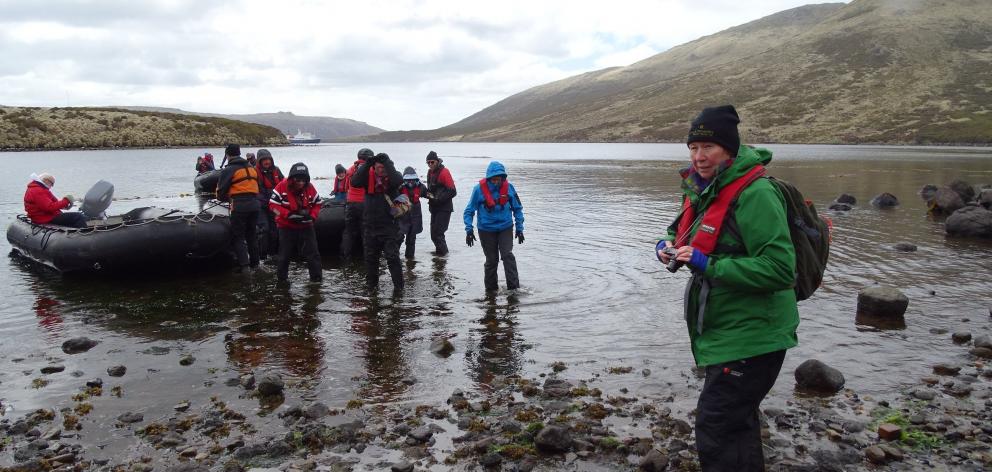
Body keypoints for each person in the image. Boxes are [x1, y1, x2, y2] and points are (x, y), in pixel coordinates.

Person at [656, 105, 798, 471]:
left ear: (729, 150)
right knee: (736, 421)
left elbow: (781, 269)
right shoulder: (703, 188)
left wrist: (709, 264)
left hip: (755, 334)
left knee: (717, 424)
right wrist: (667, 246)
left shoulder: (756, 194)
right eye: (693, 147)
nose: (699, 157)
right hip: (727, 329)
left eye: (708, 148)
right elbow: (681, 231)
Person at [463, 161, 524, 292]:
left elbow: (517, 209)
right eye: (493, 179)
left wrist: (520, 228)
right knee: (491, 260)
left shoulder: (509, 188)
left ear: (503, 177)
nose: (496, 181)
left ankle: (514, 290)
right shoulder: (478, 190)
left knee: (507, 255)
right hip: (486, 229)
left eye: (499, 178)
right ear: (489, 178)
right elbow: (469, 211)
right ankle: (491, 292)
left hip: (505, 227)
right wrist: (469, 229)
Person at [350, 152, 404, 291]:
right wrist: (368, 163)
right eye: (379, 167)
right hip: (370, 226)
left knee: (392, 258)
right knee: (370, 259)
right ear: (374, 167)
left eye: (384, 167)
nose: (382, 170)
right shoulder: (367, 177)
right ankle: (372, 289)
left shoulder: (392, 178)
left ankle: (399, 289)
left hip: (389, 226)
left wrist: (388, 162)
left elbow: (398, 180)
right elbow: (354, 182)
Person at [269, 162, 322, 282]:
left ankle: (317, 279)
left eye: (304, 180)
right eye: (298, 180)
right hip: (286, 226)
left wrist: (312, 216)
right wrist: (288, 215)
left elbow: (318, 204)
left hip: (306, 225)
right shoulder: (281, 187)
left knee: (313, 253)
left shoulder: (310, 188)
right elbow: (273, 206)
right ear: (292, 179)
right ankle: (282, 280)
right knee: (284, 255)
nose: (301, 183)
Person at [216, 143, 261, 272]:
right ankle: (256, 264)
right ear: (239, 153)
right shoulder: (252, 168)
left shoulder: (229, 170)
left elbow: (220, 192)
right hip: (255, 205)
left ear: (228, 155)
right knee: (251, 235)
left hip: (240, 206)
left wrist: (226, 199)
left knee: (238, 236)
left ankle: (245, 267)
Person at [340, 148, 374, 259]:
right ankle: (367, 257)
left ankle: (345, 256)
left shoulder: (350, 169)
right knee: (366, 231)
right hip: (365, 203)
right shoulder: (371, 169)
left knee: (349, 231)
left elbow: (346, 187)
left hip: (351, 203)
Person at [425, 151, 457, 255]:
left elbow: (453, 191)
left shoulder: (444, 172)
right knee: (433, 234)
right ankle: (440, 256)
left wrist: (439, 199)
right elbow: (430, 189)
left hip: (444, 208)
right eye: (428, 163)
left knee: (438, 234)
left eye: (432, 162)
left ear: (437, 161)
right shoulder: (429, 173)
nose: (430, 164)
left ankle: (443, 256)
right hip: (434, 208)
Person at [255, 149, 284, 260]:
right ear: (260, 161)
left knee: (275, 228)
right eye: (264, 160)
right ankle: (262, 256)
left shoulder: (277, 171)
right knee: (264, 228)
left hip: (274, 206)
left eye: (268, 159)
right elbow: (255, 191)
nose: (267, 162)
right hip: (261, 206)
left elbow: (284, 185)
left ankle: (274, 253)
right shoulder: (254, 172)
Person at [398, 166, 429, 260]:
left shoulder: (421, 187)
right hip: (402, 213)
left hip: (415, 215)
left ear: (415, 179)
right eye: (408, 180)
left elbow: (428, 194)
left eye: (412, 179)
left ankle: (410, 259)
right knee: (398, 236)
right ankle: (394, 256)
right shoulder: (399, 187)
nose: (410, 182)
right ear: (404, 180)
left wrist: (437, 198)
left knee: (411, 238)